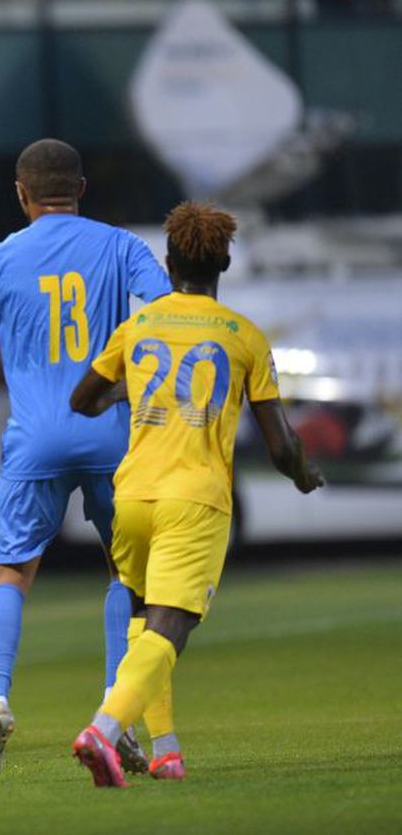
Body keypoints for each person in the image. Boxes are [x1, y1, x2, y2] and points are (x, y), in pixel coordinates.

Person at [0, 138, 172, 787]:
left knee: (11, 571)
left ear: (21, 192)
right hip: (112, 435)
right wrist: (128, 382)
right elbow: (164, 315)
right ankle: (114, 718)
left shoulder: (0, 258)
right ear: (82, 188)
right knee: (126, 574)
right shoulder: (120, 247)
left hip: (36, 437)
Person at [69, 202, 323, 787]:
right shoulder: (245, 337)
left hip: (131, 495)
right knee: (173, 625)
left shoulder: (139, 326)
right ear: (225, 262)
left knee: (140, 615)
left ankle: (166, 751)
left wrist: (130, 394)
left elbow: (83, 399)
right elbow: (281, 445)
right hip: (196, 497)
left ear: (168, 260)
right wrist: (306, 473)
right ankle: (103, 733)